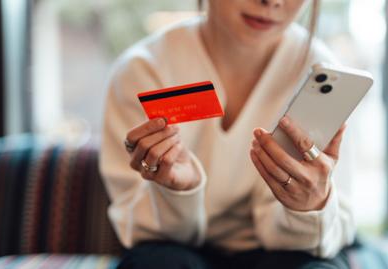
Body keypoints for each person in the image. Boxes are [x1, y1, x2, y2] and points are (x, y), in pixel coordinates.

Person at [100, 0, 356, 268]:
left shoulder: (322, 73)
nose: (271, 2)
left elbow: (335, 231)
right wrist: (176, 192)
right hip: (175, 251)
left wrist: (310, 207)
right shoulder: (143, 70)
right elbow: (137, 226)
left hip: (287, 251)